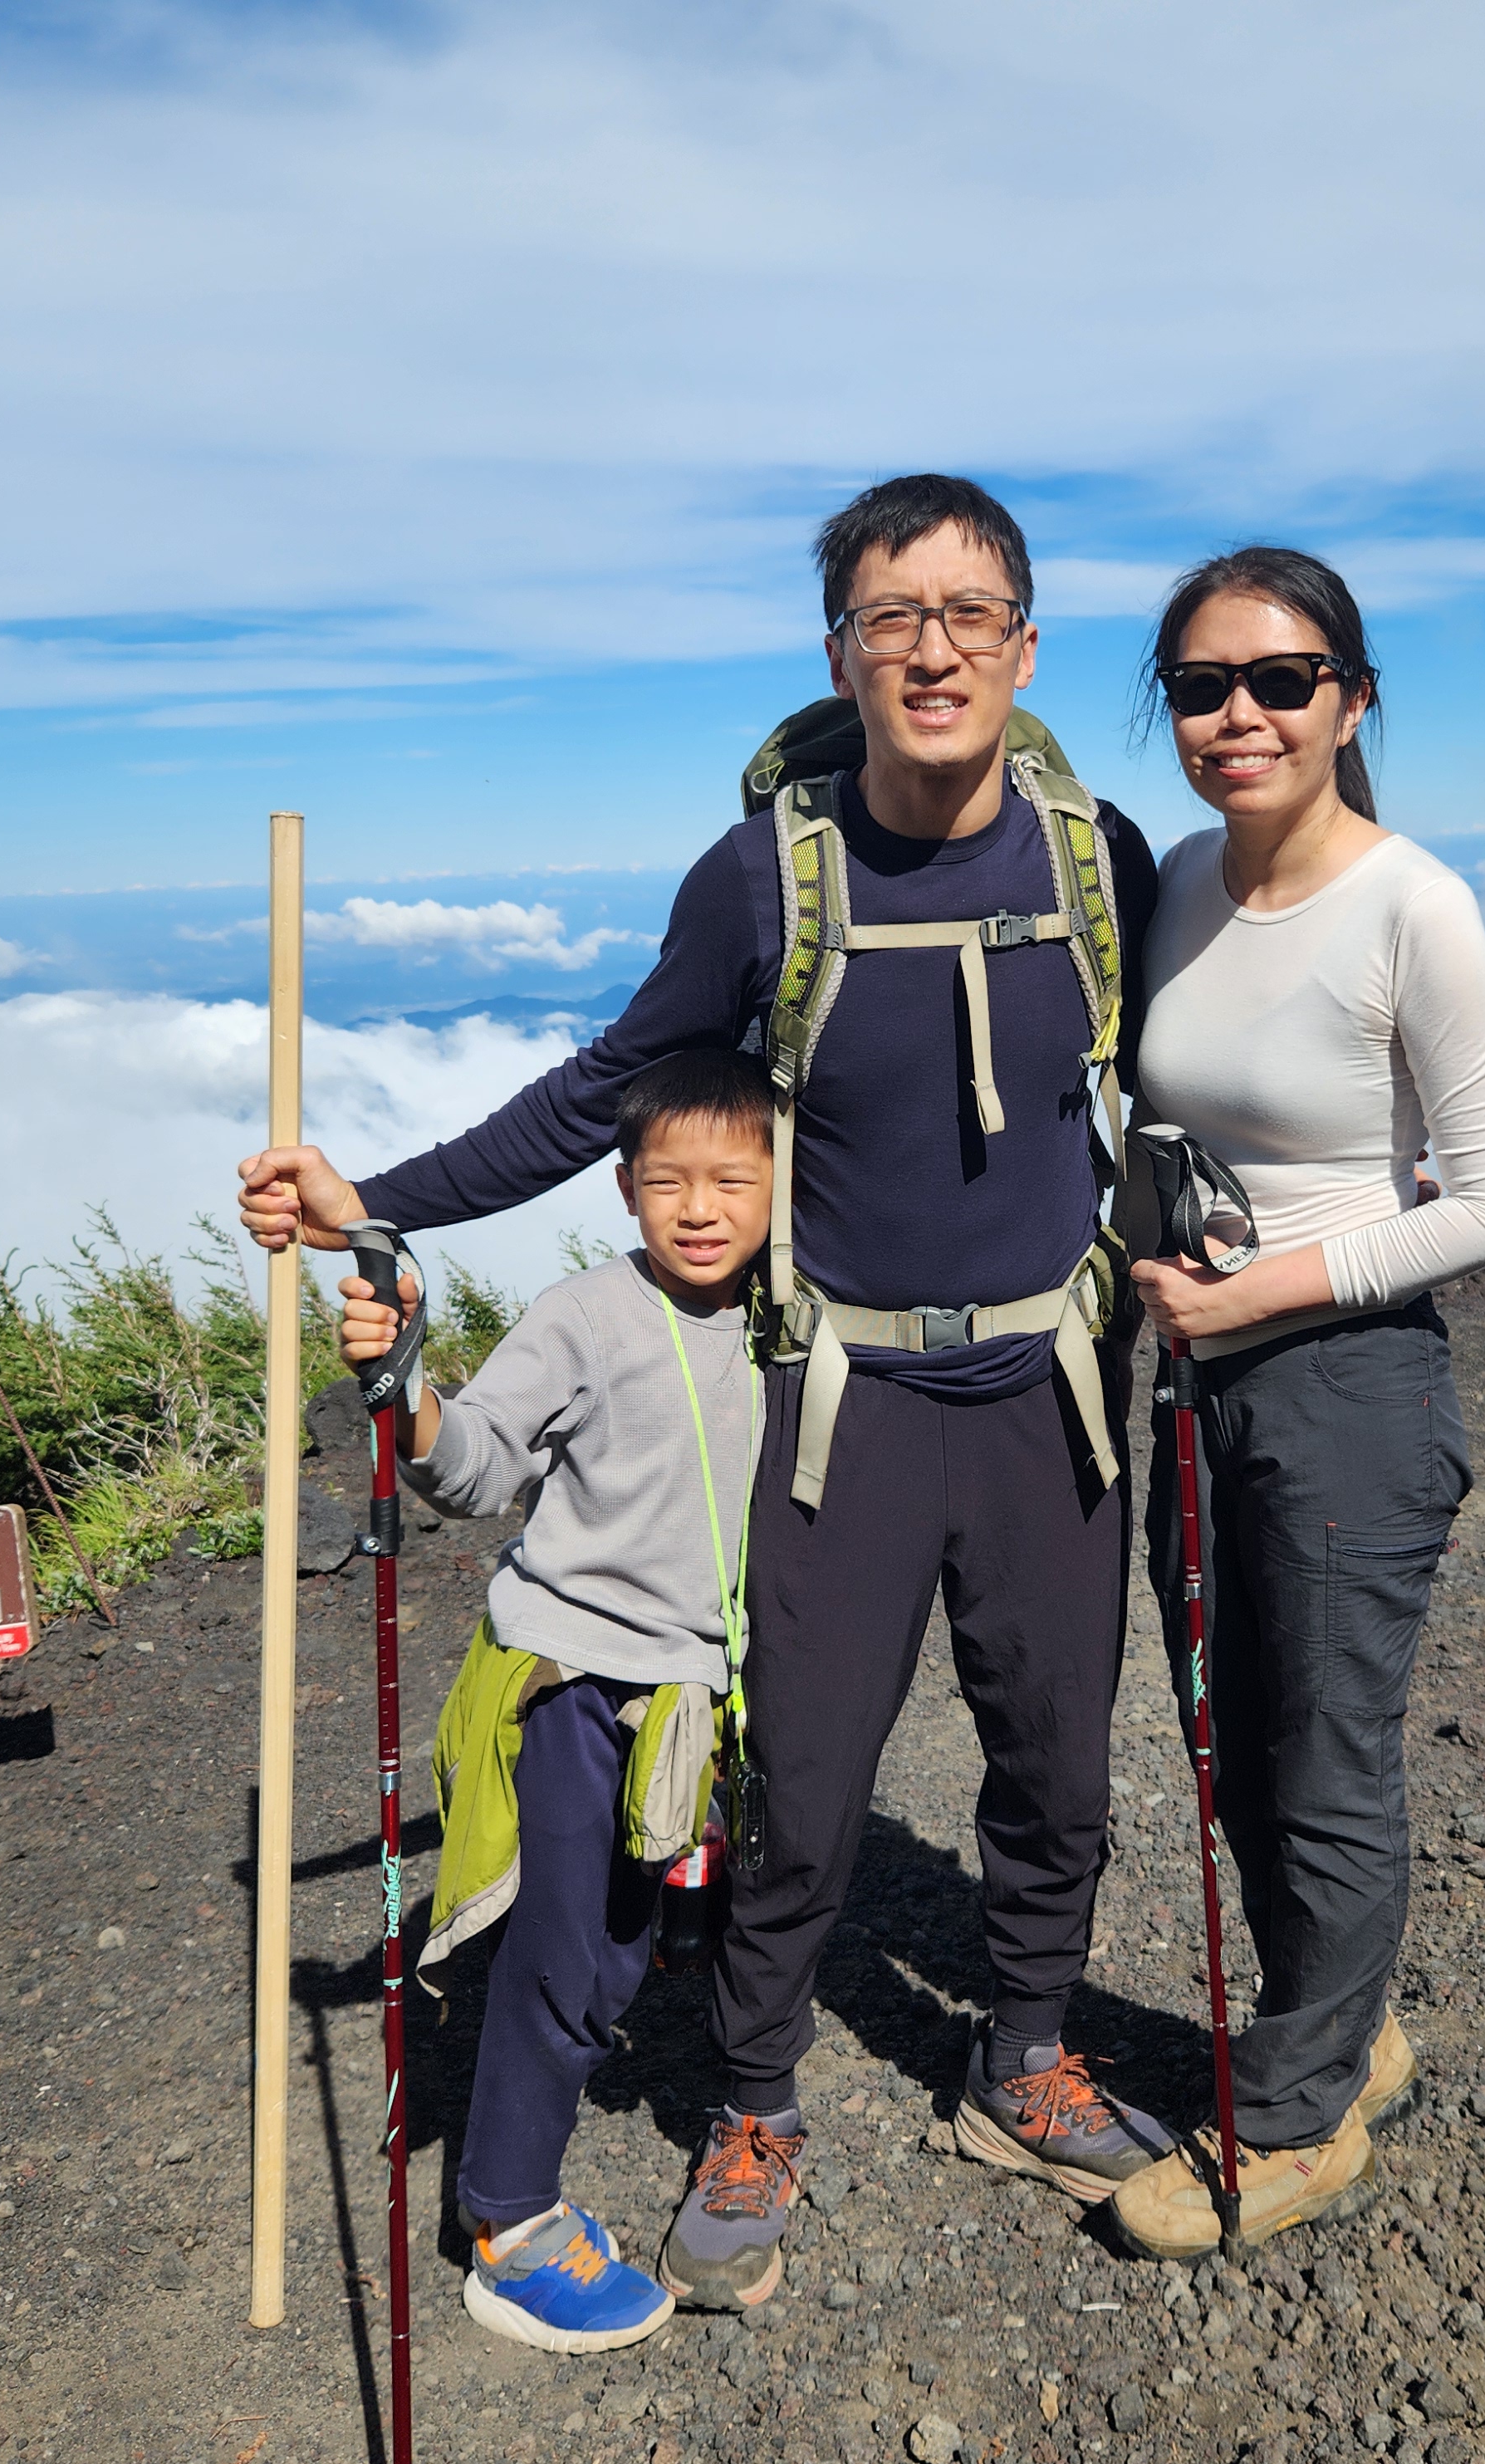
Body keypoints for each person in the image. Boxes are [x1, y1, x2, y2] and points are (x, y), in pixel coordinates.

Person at [241, 474, 1171, 2314]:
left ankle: (1025, 2057)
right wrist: (380, 1204)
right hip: (839, 1400)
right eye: (891, 616)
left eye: (968, 614)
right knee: (802, 1779)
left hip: (1051, 1385)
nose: (931, 650)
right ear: (839, 651)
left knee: (1059, 1757)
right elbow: (615, 1087)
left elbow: (1203, 1051)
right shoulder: (765, 877)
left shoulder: (1098, 857)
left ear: (1024, 645)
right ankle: (753, 2103)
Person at [1107, 546, 1485, 2259]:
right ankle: (1344, 2023)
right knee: (1229, 1732)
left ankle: (1295, 2118)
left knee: (1323, 1752)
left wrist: (1257, 1291)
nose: (1240, 714)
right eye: (1201, 685)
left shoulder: (1414, 905)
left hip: (1346, 1381)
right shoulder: (1180, 885)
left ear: (1349, 700)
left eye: (1280, 680)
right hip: (1196, 1378)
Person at [337, 1049, 771, 2350]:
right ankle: (510, 2222)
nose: (700, 1208)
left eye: (733, 1180)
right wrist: (406, 1389)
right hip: (570, 1680)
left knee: (628, 1937)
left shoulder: (796, 1317)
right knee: (568, 1953)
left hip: (696, 1691)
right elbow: (475, 1470)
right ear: (623, 1189)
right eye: (667, 1181)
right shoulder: (585, 1316)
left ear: (786, 1186)